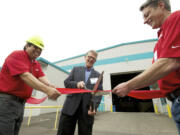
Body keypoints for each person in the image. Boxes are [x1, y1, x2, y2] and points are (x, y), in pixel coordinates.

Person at [112, 0, 180, 133]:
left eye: (147, 14)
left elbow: (171, 62)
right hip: (175, 102)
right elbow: (157, 74)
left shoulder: (176, 18)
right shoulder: (159, 41)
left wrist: (128, 85)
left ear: (161, 5)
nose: (144, 21)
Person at [0, 35, 61, 135]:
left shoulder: (35, 63)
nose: (38, 50)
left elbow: (41, 77)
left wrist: (50, 86)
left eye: (40, 49)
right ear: (27, 45)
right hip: (6, 102)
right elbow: (25, 76)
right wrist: (47, 90)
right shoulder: (17, 55)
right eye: (35, 47)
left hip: (21, 104)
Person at [57, 50, 103, 135]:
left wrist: (94, 107)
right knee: (64, 132)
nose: (90, 59)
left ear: (95, 61)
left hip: (87, 110)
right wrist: (76, 84)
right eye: (89, 57)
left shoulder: (98, 75)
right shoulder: (76, 69)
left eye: (93, 58)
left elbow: (99, 93)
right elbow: (66, 83)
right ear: (85, 57)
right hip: (70, 107)